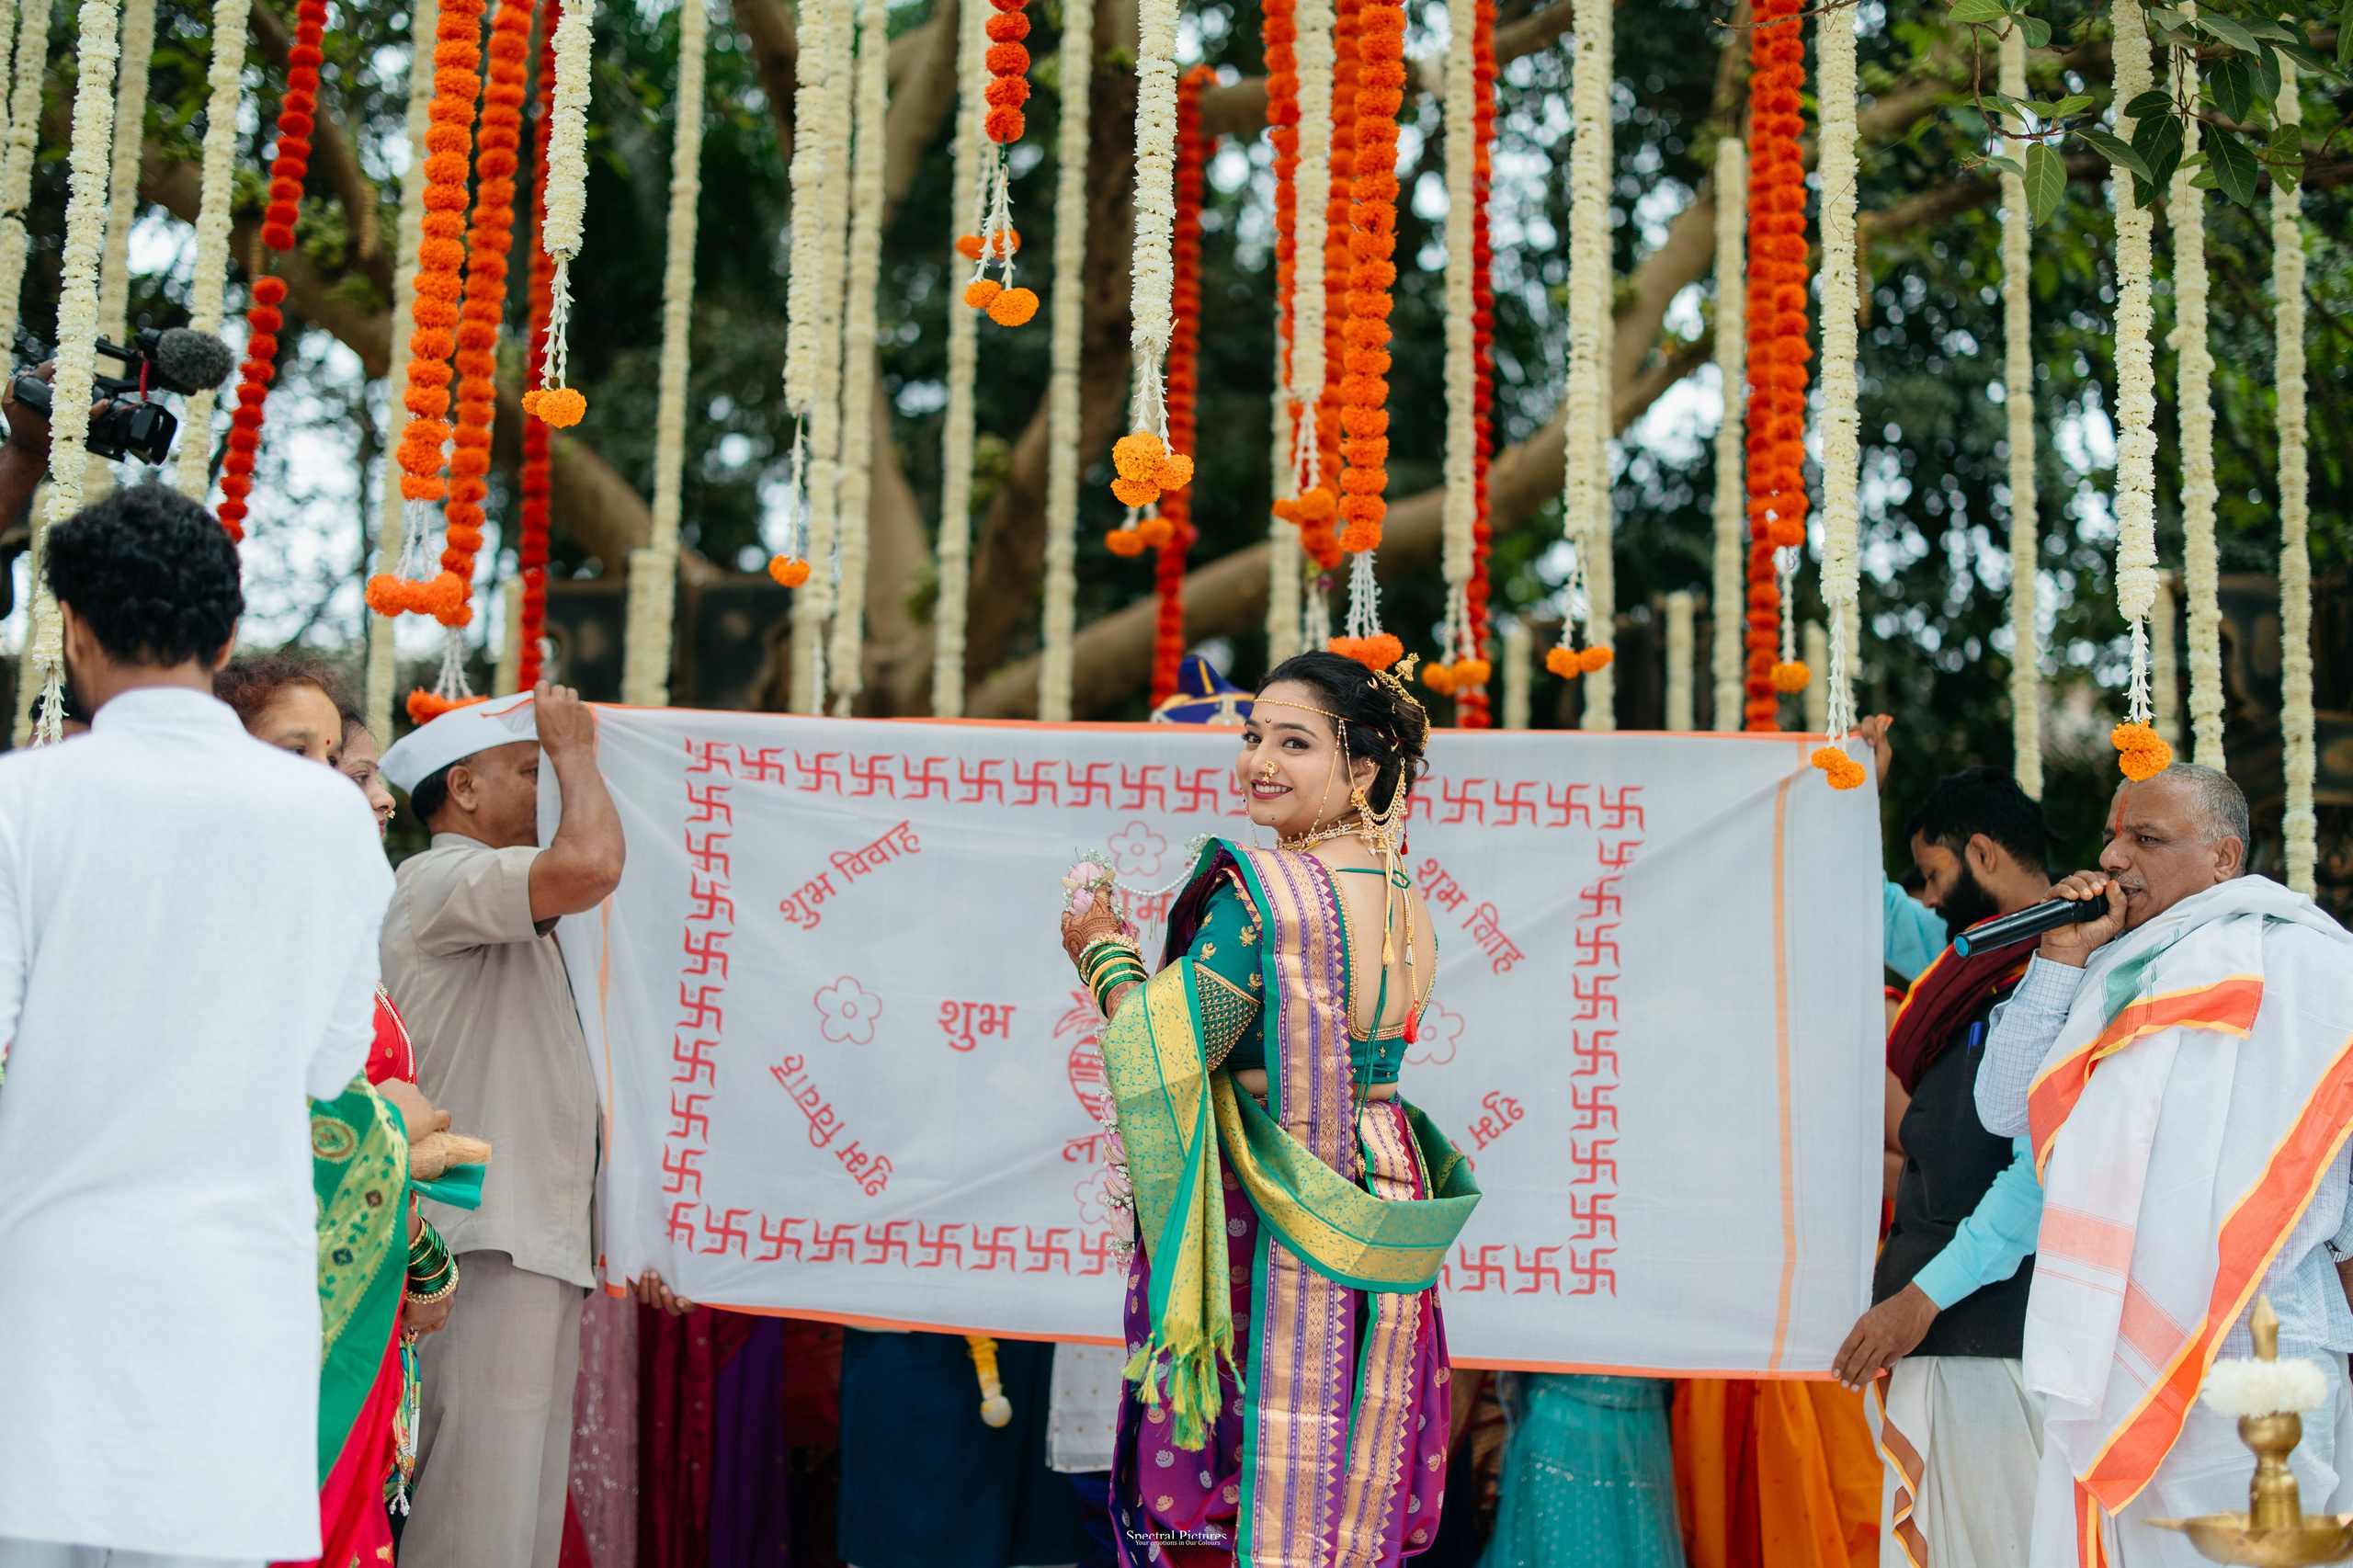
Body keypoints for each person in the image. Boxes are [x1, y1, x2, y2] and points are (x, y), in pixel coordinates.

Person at [0, 484, 393, 1568]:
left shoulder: (21, 802)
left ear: (72, 628)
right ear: (224, 638)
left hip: (47, 1298)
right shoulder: (328, 820)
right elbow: (332, 1067)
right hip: (230, 1298)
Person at [1062, 650, 1481, 1564]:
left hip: (1275, 1198)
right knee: (1350, 1455)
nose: (1260, 760)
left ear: (1363, 768)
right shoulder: (1403, 893)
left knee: (1248, 1469)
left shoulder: (1266, 897)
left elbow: (1166, 1049)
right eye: (1254, 735)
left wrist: (1102, 951)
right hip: (1381, 1178)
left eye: (1293, 741)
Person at [1975, 764, 2353, 1567]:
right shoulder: (2111, 970)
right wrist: (2058, 959)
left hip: (2270, 1341)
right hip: (2121, 1342)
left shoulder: (2319, 969)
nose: (2113, 858)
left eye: (2146, 839)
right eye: (2113, 835)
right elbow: (2003, 1110)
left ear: (2223, 859)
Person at [216, 654, 461, 1559]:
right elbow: (303, 1114)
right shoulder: (230, 919)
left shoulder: (333, 919)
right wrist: (400, 1132)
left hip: (362, 1287)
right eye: (321, 761)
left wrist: (417, 1245)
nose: (378, 797)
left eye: (346, 760)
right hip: (275, 1294)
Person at [377, 684, 626, 1568]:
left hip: (527, 1240)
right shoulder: (440, 879)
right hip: (480, 1246)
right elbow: (593, 863)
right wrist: (575, 749)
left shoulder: (497, 899)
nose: (548, 787)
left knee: (513, 1527)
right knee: (474, 1528)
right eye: (527, 772)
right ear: (465, 791)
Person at [1831, 766, 2052, 1567]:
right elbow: (1873, 909)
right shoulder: (1973, 964)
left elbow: (2038, 1176)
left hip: (1999, 1342)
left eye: (1933, 875)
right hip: (1941, 1336)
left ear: (1984, 856)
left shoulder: (2076, 968)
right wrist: (1855, 797)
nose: (1921, 899)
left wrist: (1918, 1302)